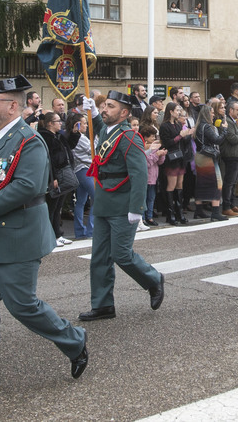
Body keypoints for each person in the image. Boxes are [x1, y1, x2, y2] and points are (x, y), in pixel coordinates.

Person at [0, 76, 88, 398]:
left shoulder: (28, 140)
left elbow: (29, 186)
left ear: (12, 106)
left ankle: (73, 339)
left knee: (22, 304)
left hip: (17, 234)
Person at [79, 91, 164, 321]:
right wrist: (94, 112)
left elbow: (139, 174)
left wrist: (137, 208)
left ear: (124, 113)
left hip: (123, 204)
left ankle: (153, 279)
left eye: (110, 106)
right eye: (105, 105)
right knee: (99, 257)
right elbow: (102, 131)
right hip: (105, 201)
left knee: (121, 255)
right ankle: (103, 305)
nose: (105, 108)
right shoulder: (110, 130)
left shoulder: (129, 136)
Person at [39, 111, 77, 246]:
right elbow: (49, 160)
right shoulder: (46, 137)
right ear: (50, 123)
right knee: (52, 207)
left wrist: (74, 133)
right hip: (55, 175)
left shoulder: (57, 136)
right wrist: (52, 178)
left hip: (63, 174)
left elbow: (70, 146)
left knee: (58, 206)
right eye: (57, 121)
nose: (60, 123)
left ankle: (57, 234)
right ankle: (51, 235)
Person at [159, 102, 192, 225]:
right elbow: (167, 143)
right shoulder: (164, 126)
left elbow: (183, 141)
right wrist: (180, 136)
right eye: (177, 110)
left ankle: (180, 212)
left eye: (179, 110)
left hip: (180, 157)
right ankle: (170, 213)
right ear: (171, 112)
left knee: (180, 185)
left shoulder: (178, 124)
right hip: (171, 158)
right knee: (171, 185)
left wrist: (187, 135)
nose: (179, 113)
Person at [193, 101, 227, 221]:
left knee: (201, 184)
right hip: (208, 157)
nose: (213, 115)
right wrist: (224, 130)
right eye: (212, 113)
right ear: (207, 114)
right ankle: (215, 213)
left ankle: (198, 210)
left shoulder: (198, 125)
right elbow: (217, 140)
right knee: (217, 184)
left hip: (199, 155)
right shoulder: (206, 126)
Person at [68, 112, 95, 238]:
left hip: (78, 170)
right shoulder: (80, 138)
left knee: (81, 201)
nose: (86, 125)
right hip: (85, 169)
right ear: (77, 125)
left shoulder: (71, 136)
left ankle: (79, 230)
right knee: (97, 198)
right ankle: (91, 229)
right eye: (84, 123)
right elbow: (93, 150)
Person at [219, 100, 238, 217]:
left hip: (236, 155)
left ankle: (231, 204)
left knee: (233, 182)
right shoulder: (228, 122)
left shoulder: (233, 121)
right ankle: (226, 206)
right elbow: (233, 138)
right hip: (230, 155)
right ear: (231, 110)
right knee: (229, 182)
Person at [140, 124, 165, 225]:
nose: (154, 138)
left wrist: (161, 155)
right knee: (143, 199)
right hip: (145, 177)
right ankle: (142, 218)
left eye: (155, 136)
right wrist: (156, 155)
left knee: (151, 198)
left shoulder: (155, 147)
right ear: (146, 137)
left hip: (154, 178)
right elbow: (146, 162)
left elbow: (159, 163)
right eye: (152, 136)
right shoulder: (143, 147)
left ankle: (149, 217)